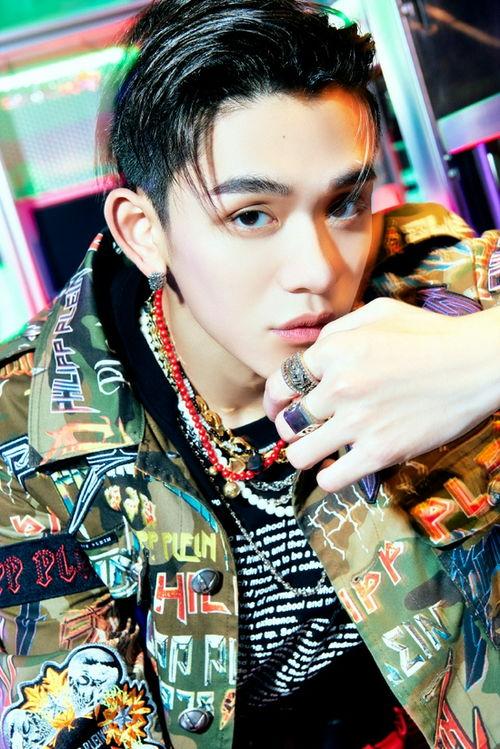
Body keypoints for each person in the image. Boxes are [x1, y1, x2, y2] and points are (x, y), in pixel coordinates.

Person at [0, 1, 498, 747]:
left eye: (344, 203)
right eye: (251, 216)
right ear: (144, 232)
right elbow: (75, 721)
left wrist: (479, 356)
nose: (318, 270)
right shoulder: (24, 437)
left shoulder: (428, 285)